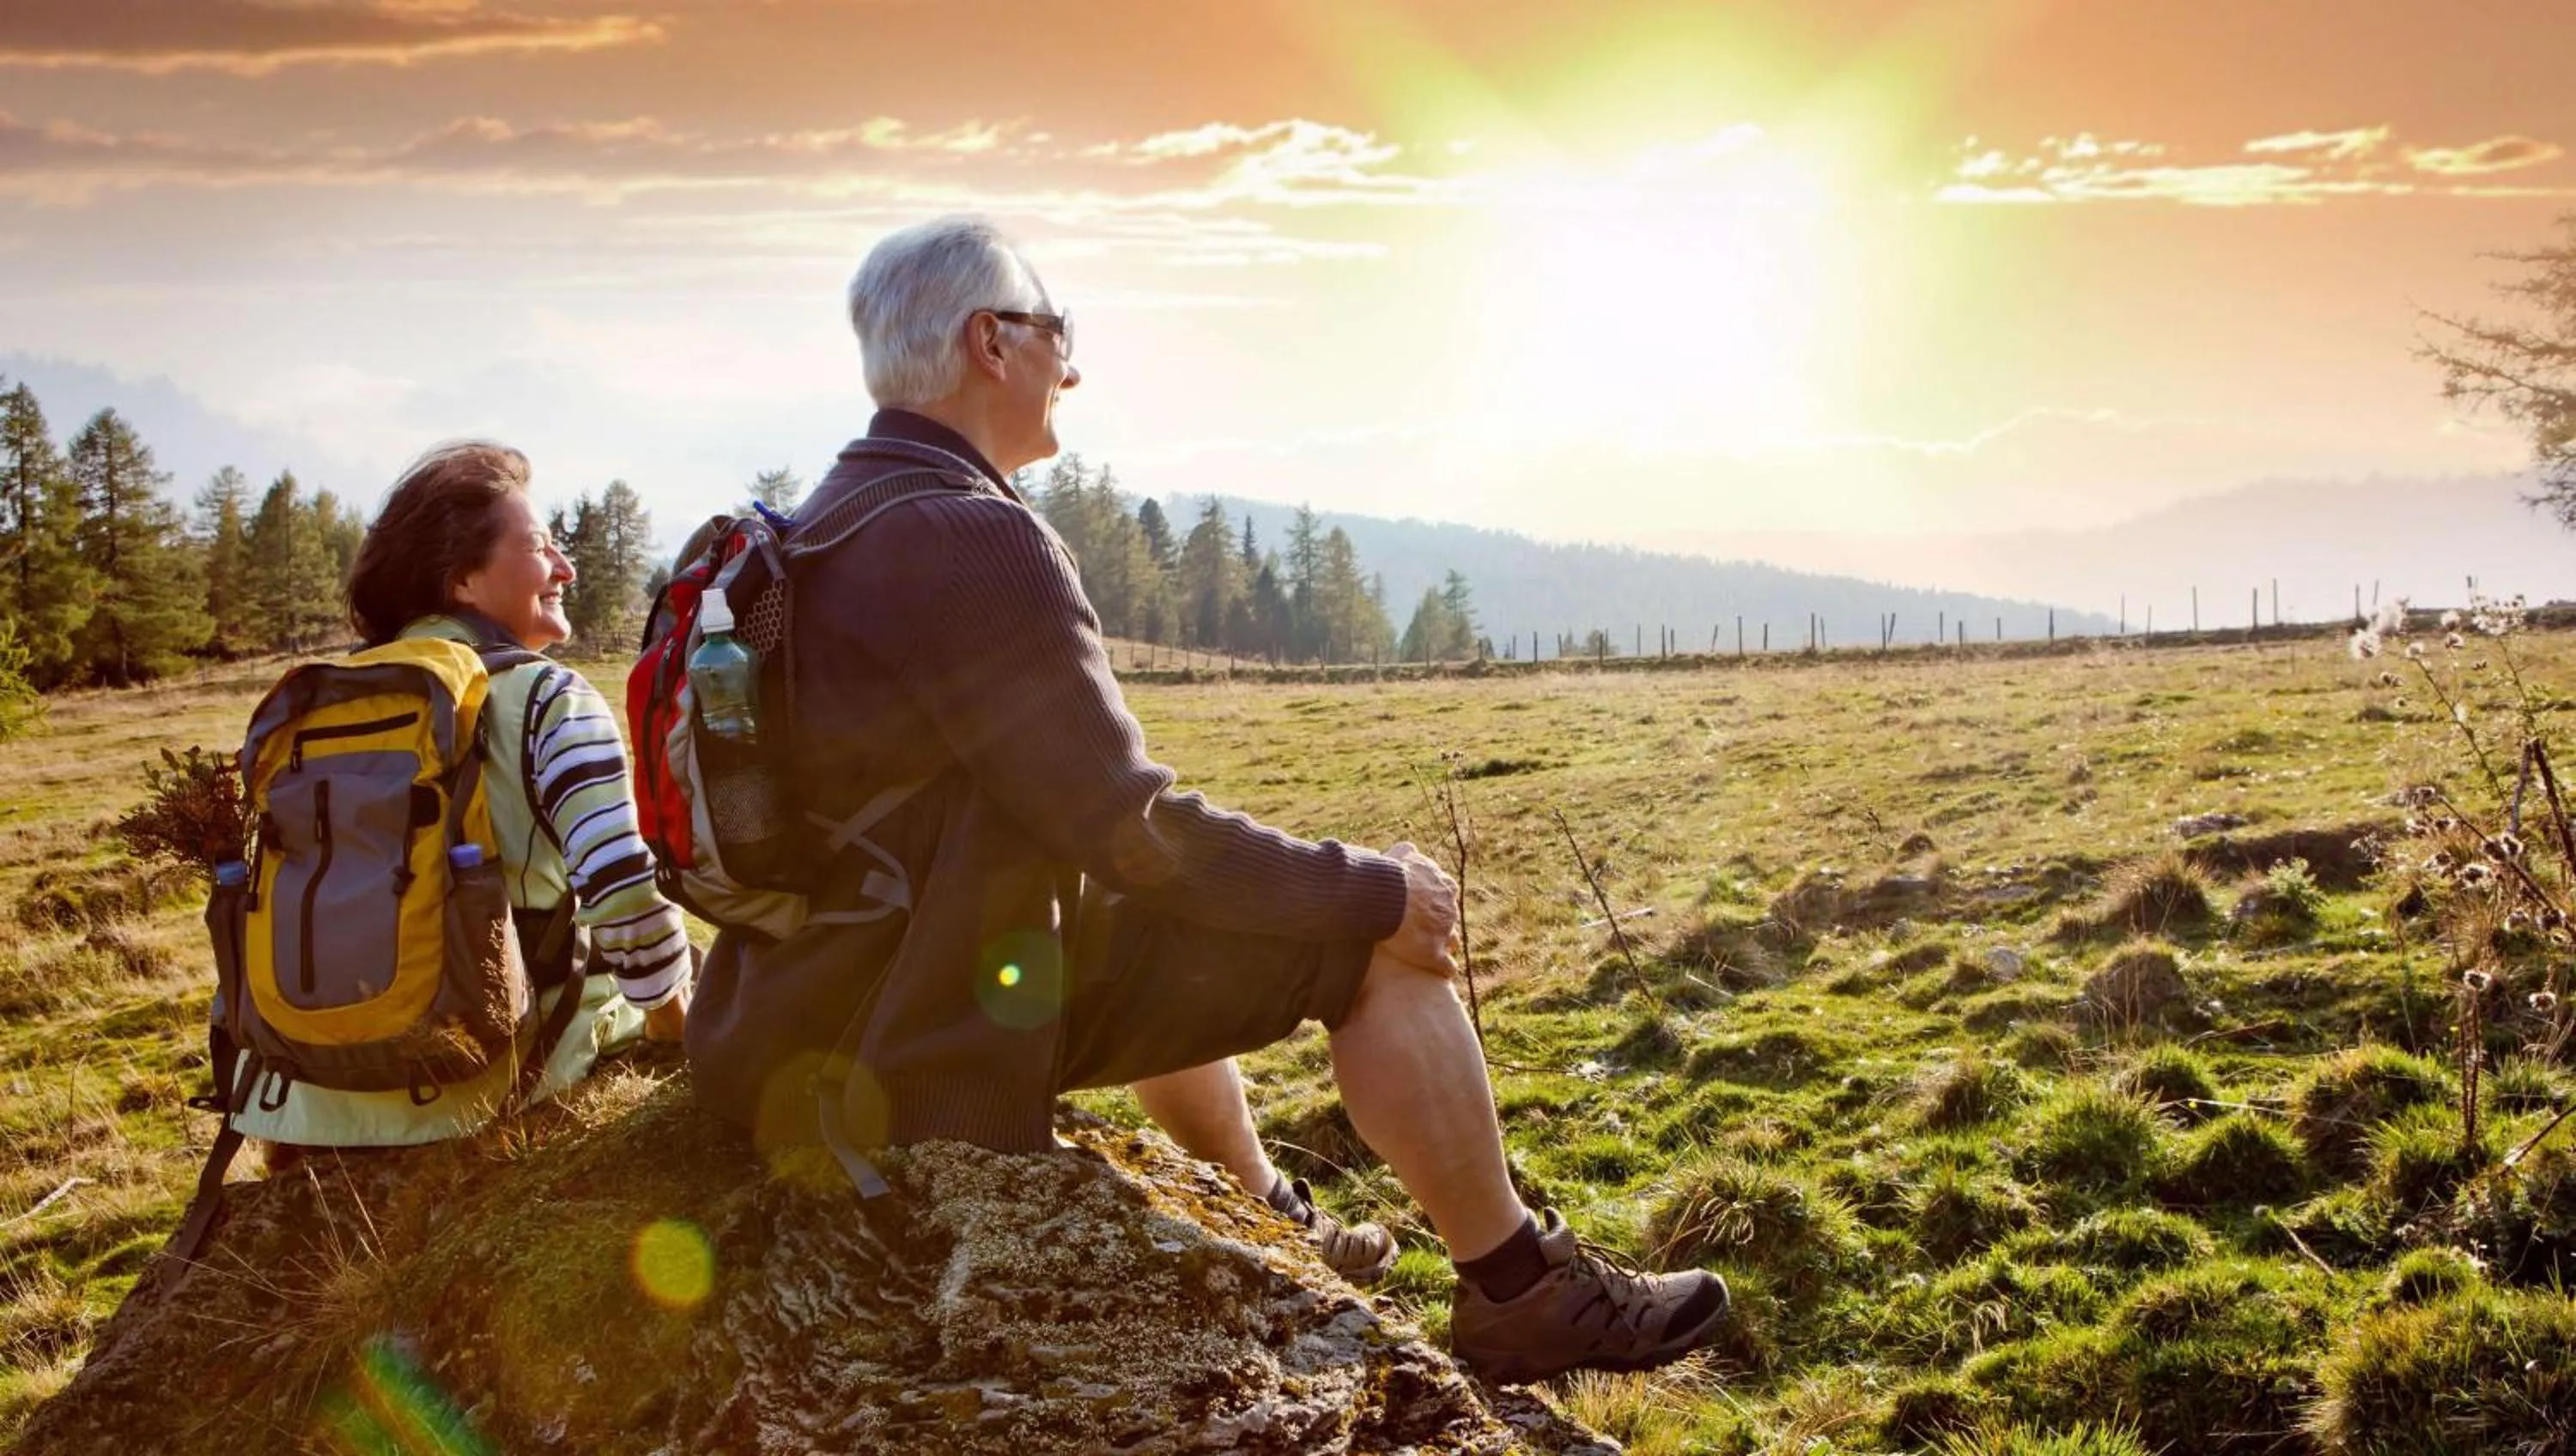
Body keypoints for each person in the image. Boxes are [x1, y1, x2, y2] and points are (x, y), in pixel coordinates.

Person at [683, 215, 1728, 1383]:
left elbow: (1069, 829)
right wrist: (1374, 889)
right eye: (1054, 332)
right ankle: (1521, 1291)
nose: (1069, 367)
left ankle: (1271, 1208)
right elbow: (1132, 834)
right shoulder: (970, 538)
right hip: (905, 1046)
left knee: (1173, 919)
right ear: (991, 343)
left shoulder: (822, 522)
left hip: (792, 1017)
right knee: (1373, 952)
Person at [227, 442, 693, 1152]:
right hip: (484, 1082)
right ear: (463, 583)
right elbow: (621, 890)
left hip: (311, 1100)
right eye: (539, 548)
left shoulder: (320, 703)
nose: (565, 568)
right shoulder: (551, 698)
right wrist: (675, 1032)